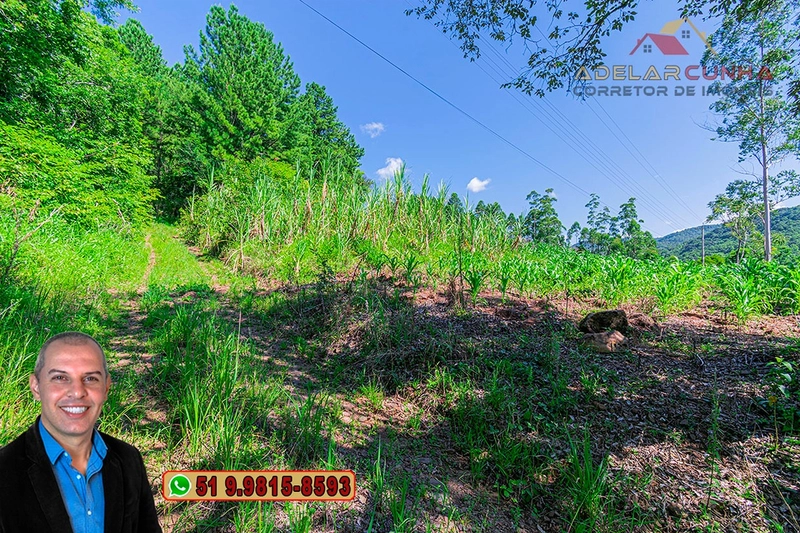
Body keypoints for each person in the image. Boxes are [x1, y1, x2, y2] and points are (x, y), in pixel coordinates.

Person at [0, 332, 162, 533]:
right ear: (36, 387)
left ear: (106, 388)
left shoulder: (129, 460)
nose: (77, 392)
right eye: (60, 377)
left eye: (90, 378)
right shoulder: (4, 471)